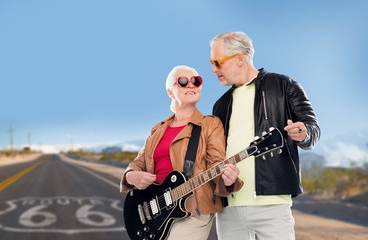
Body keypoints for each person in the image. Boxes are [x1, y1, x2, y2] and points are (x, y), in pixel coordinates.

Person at [209, 32, 320, 240]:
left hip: (271, 206)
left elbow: (313, 129)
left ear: (240, 58)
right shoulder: (220, 104)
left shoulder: (284, 86)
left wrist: (304, 133)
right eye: (211, 62)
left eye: (217, 62)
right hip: (229, 208)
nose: (213, 69)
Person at [120, 65, 243, 240]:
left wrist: (227, 179)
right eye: (183, 82)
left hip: (191, 209)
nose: (192, 85)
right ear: (170, 92)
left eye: (196, 81)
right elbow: (139, 161)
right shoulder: (157, 129)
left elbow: (216, 162)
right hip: (153, 210)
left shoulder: (210, 124)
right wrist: (130, 175)